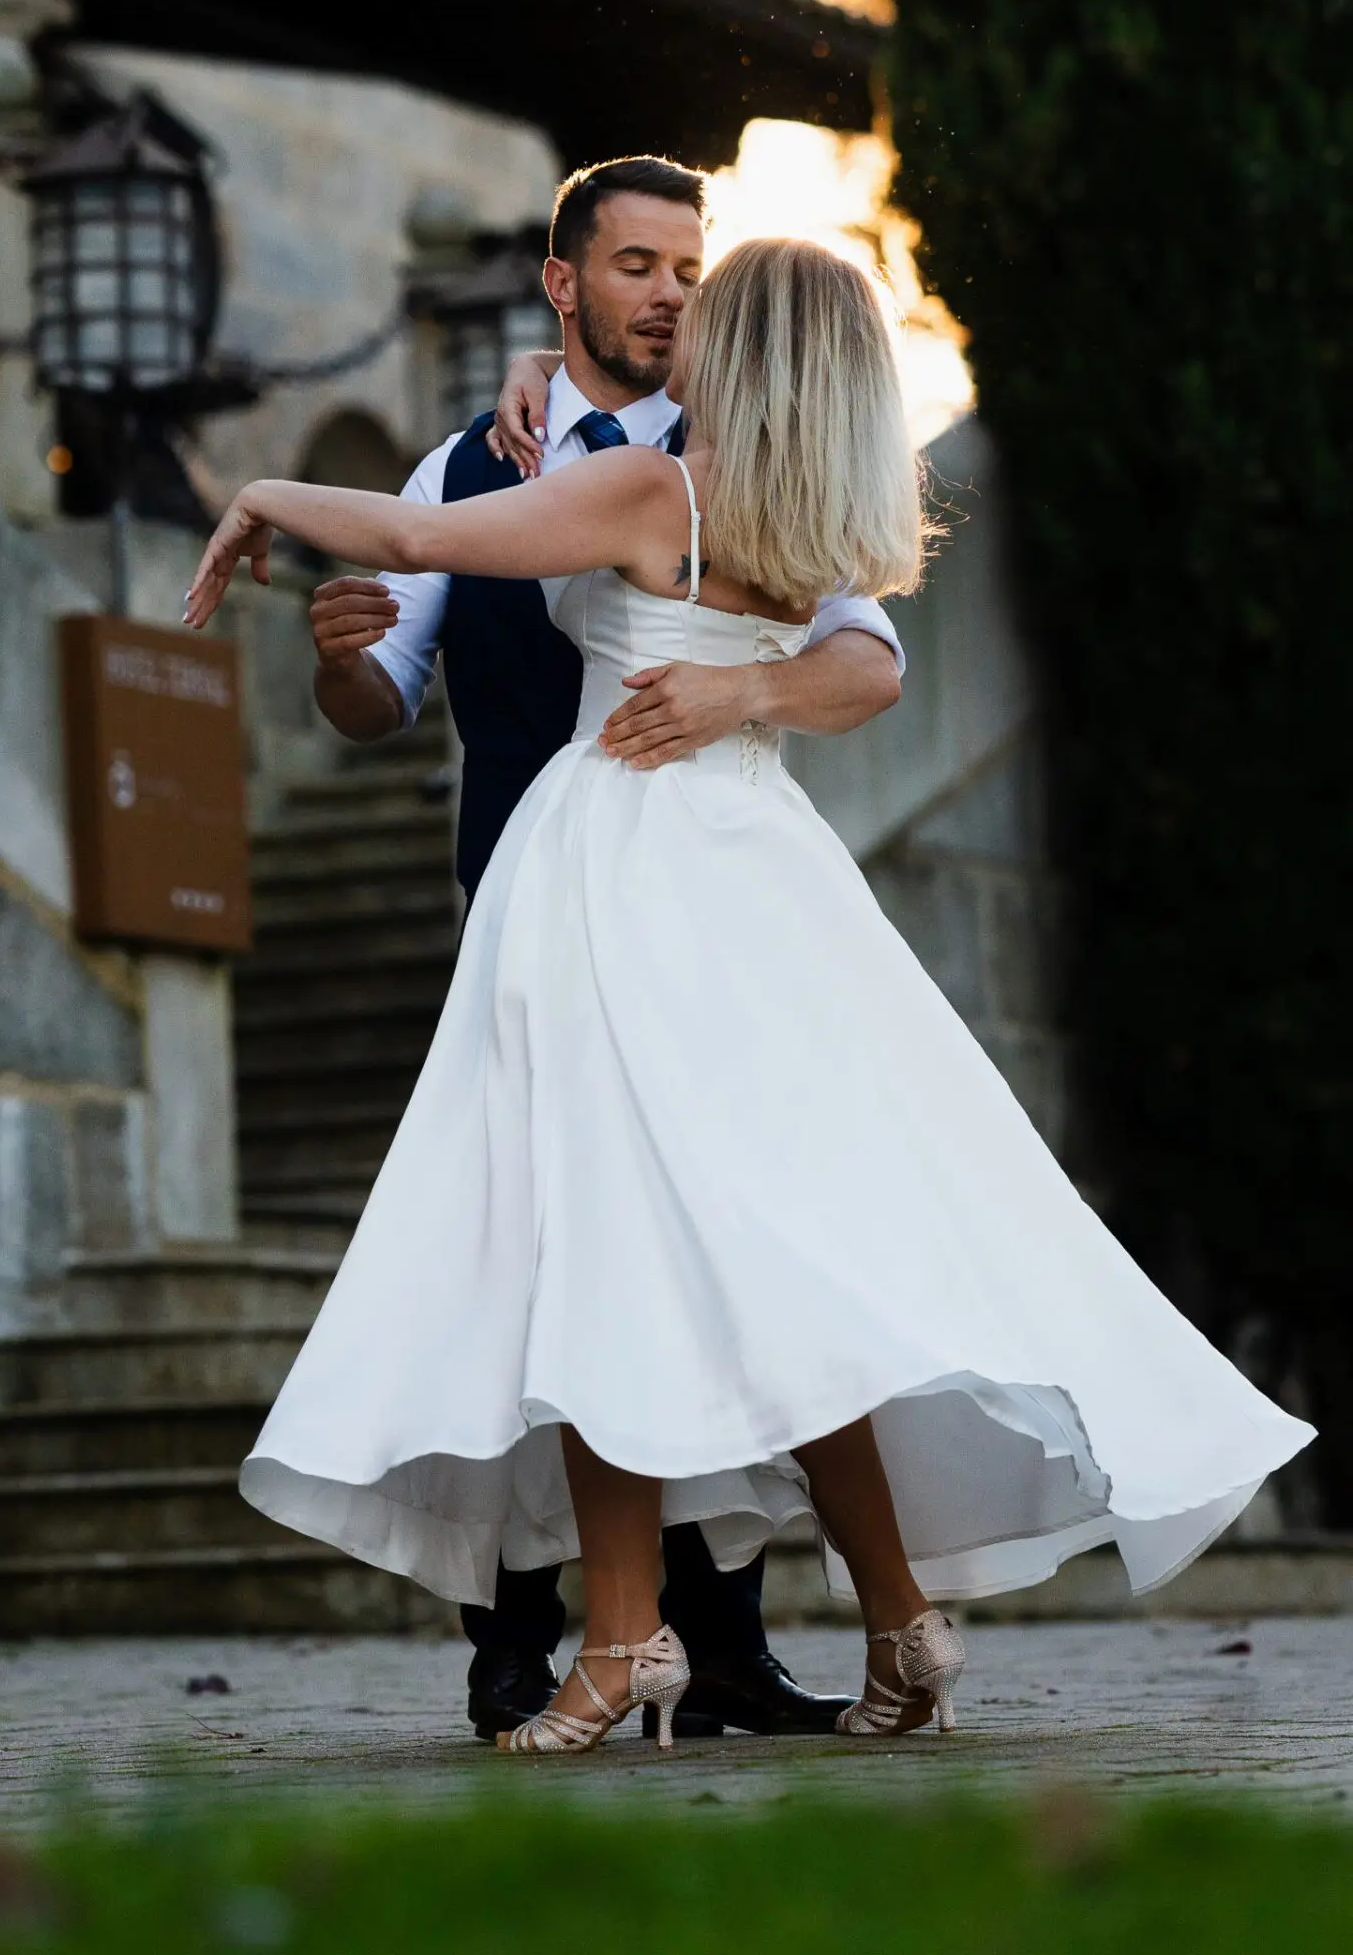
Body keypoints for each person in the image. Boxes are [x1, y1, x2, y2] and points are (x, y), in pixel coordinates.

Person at [186, 234, 1313, 1756]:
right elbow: (863, 665)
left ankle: (623, 1642)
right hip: (760, 879)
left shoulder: (654, 493)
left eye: (701, 307)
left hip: (622, 873)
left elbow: (416, 529)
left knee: (594, 1236)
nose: (676, 322)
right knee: (765, 1270)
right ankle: (897, 1625)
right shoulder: (807, 512)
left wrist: (258, 493)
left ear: (749, 351)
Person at [305, 157, 905, 1744]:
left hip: (681, 902)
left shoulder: (738, 453)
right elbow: (383, 701)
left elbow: (867, 652)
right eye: (636, 266)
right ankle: (527, 1636)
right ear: (563, 286)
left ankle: (706, 1643)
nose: (667, 294)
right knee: (529, 1247)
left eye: (690, 272)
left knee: (663, 1242)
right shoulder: (471, 456)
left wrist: (741, 694)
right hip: (525, 897)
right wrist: (343, 664)